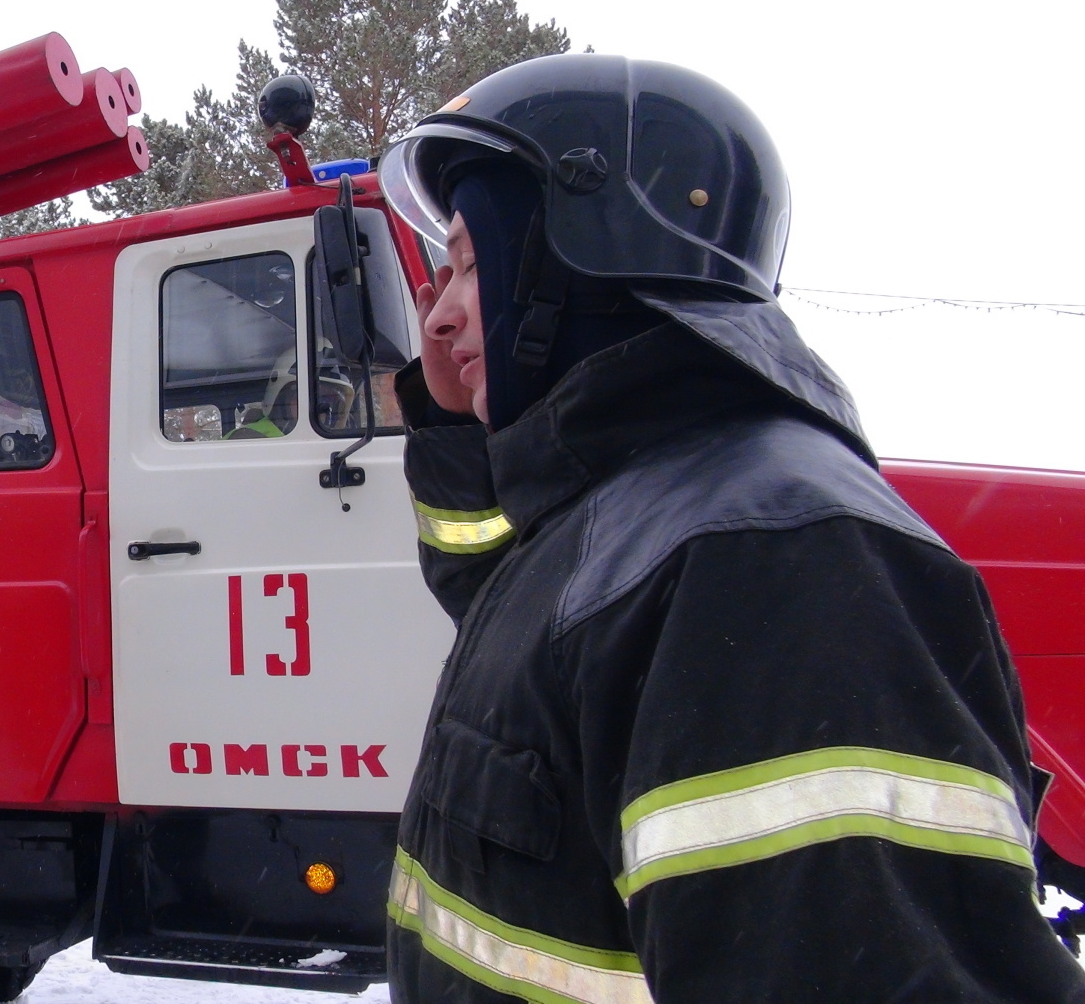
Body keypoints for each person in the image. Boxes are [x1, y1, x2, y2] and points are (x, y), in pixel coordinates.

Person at [374, 55, 1085, 1001]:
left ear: (575, 259)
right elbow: (519, 631)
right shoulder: (633, 508)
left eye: (470, 261)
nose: (444, 312)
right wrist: (457, 420)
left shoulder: (771, 563)